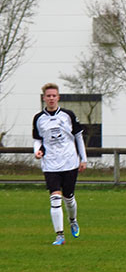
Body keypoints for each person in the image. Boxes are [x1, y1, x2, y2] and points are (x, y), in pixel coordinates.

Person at [33, 83, 87, 246]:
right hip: (50, 164)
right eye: (48, 96)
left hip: (69, 162)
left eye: (53, 95)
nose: (51, 98)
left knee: (68, 197)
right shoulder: (38, 119)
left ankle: (73, 220)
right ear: (44, 98)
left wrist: (83, 159)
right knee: (55, 198)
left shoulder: (68, 115)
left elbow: (78, 137)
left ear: (58, 97)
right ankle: (59, 236)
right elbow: (37, 140)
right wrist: (37, 151)